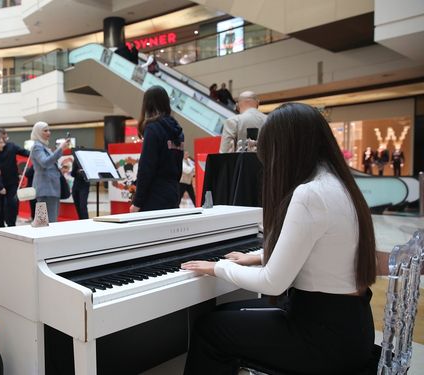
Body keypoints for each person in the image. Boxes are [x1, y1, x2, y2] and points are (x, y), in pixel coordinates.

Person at [182, 103, 376, 375]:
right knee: (219, 315)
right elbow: (323, 248)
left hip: (322, 339)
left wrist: (218, 267)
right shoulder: (339, 184)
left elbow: (272, 283)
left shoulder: (311, 194)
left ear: (285, 150)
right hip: (351, 329)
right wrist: (259, 256)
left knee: (209, 330)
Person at [130, 86, 184, 213]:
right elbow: (178, 168)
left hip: (154, 197)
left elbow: (146, 168)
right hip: (173, 193)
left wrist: (137, 203)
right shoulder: (178, 131)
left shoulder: (153, 128)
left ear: (147, 105)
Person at [30, 122, 71, 222]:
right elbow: (44, 162)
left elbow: (48, 164)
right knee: (48, 222)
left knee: (47, 221)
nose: (49, 132)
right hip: (46, 190)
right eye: (45, 130)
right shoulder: (37, 147)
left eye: (49, 130)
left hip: (51, 189)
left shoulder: (43, 146)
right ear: (38, 132)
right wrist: (60, 149)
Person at [0, 128, 30, 226]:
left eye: (5, 135)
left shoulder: (12, 146)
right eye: (2, 135)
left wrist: (35, 152)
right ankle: (1, 227)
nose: (4, 137)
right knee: (0, 206)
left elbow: (25, 152)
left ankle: (11, 225)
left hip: (12, 183)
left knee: (13, 204)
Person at [71, 154, 90, 220]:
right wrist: (77, 171)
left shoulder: (87, 162)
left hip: (84, 185)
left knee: (83, 205)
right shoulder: (76, 161)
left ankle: (86, 222)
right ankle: (80, 221)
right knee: (77, 205)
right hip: (76, 185)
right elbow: (72, 174)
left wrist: (82, 172)